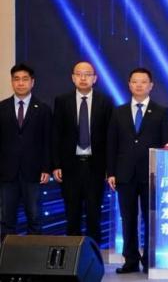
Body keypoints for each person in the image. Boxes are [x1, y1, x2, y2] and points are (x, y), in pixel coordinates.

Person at [107, 67, 168, 273]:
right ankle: (131, 260)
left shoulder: (161, 111)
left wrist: (164, 173)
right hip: (124, 174)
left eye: (143, 82)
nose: (139, 85)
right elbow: (112, 144)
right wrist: (111, 172)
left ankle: (150, 260)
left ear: (151, 85)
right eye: (135, 81)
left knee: (150, 219)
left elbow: (167, 145)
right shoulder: (118, 112)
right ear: (129, 85)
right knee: (128, 219)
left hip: (151, 174)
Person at [52, 61, 114, 247]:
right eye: (79, 74)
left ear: (95, 78)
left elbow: (110, 137)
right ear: (73, 78)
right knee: (72, 213)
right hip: (70, 166)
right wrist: (56, 164)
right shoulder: (62, 101)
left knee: (94, 214)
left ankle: (93, 254)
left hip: (96, 167)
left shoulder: (105, 101)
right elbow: (56, 135)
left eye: (87, 74)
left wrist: (110, 169)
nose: (83, 78)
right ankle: (73, 254)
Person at [0, 63, 51, 239]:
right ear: (12, 82)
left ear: (32, 82)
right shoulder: (2, 108)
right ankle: (6, 254)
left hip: (34, 172)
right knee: (6, 219)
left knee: (35, 217)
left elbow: (47, 141)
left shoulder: (43, 109)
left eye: (25, 79)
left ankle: (34, 253)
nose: (20, 83)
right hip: (7, 173)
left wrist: (46, 168)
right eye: (16, 79)